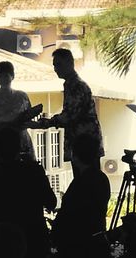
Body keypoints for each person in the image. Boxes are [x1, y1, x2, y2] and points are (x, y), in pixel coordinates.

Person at [0, 127, 57, 258]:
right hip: (35, 241)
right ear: (19, 148)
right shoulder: (34, 172)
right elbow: (51, 203)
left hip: (2, 244)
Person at [39, 49, 103, 177]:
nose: (56, 69)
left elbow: (70, 115)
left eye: (59, 64)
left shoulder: (77, 86)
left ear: (70, 63)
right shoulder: (71, 85)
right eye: (55, 65)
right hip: (81, 142)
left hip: (85, 144)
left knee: (88, 182)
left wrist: (47, 123)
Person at [50, 134, 111, 258]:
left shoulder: (81, 182)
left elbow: (70, 213)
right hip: (97, 238)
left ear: (75, 155)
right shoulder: (102, 178)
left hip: (78, 244)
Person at [0, 61, 39, 170]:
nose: (3, 78)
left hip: (21, 139)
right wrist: (5, 119)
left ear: (12, 76)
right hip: (1, 140)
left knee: (26, 172)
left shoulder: (22, 96)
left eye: (6, 75)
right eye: (0, 76)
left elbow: (28, 119)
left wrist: (39, 123)